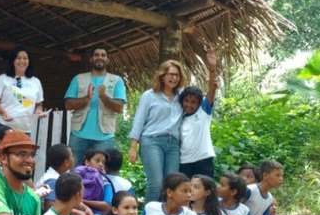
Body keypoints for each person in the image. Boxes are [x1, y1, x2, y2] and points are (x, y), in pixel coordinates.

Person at [128, 60, 186, 203]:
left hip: (173, 144)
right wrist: (133, 147)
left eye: (177, 75)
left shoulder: (182, 96)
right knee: (157, 184)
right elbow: (139, 121)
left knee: (172, 185)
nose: (174, 78)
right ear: (162, 76)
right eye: (171, 74)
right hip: (152, 141)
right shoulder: (149, 95)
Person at [64, 48, 126, 162]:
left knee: (99, 175)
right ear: (91, 59)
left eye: (103, 55)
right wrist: (86, 98)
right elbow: (68, 105)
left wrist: (103, 97)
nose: (100, 57)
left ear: (107, 60)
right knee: (74, 173)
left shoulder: (117, 80)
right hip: (78, 135)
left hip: (104, 137)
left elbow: (119, 108)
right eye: (96, 55)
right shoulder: (78, 78)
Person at [0, 46, 46, 134]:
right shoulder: (3, 79)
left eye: (25, 58)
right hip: (3, 126)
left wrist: (38, 111)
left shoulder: (36, 82)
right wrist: (4, 112)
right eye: (18, 58)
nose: (22, 61)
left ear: (29, 62)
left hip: (25, 130)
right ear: (13, 61)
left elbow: (39, 104)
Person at [179, 52, 219, 178]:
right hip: (184, 163)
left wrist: (212, 69)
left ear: (199, 104)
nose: (189, 105)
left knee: (204, 194)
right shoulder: (179, 118)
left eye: (193, 102)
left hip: (203, 161)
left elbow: (212, 89)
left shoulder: (203, 113)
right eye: (186, 101)